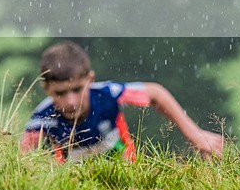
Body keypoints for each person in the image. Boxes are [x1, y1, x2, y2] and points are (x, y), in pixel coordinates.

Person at [20, 41, 224, 162]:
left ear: (90, 80)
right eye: (61, 93)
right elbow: (23, 161)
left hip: (126, 169)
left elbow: (155, 92)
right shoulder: (42, 118)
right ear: (46, 89)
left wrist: (195, 135)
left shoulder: (108, 94)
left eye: (76, 89)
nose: (71, 101)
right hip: (74, 185)